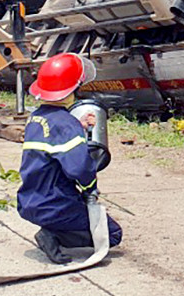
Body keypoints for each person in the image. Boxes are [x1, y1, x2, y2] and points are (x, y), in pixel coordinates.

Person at [17, 53, 122, 263]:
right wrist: (91, 187)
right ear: (73, 90)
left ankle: (55, 229)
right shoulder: (66, 125)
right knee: (113, 235)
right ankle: (53, 235)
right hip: (56, 204)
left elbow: (54, 138)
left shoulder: (36, 118)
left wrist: (77, 126)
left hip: (30, 200)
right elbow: (79, 169)